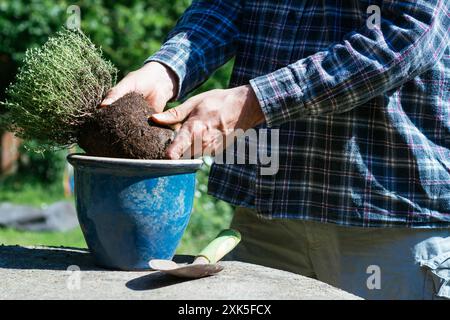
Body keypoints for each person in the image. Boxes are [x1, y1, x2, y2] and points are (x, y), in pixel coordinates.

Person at [101, 0, 450, 300]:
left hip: (392, 222)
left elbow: (405, 32)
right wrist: (166, 70)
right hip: (266, 216)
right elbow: (225, 7)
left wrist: (252, 102)